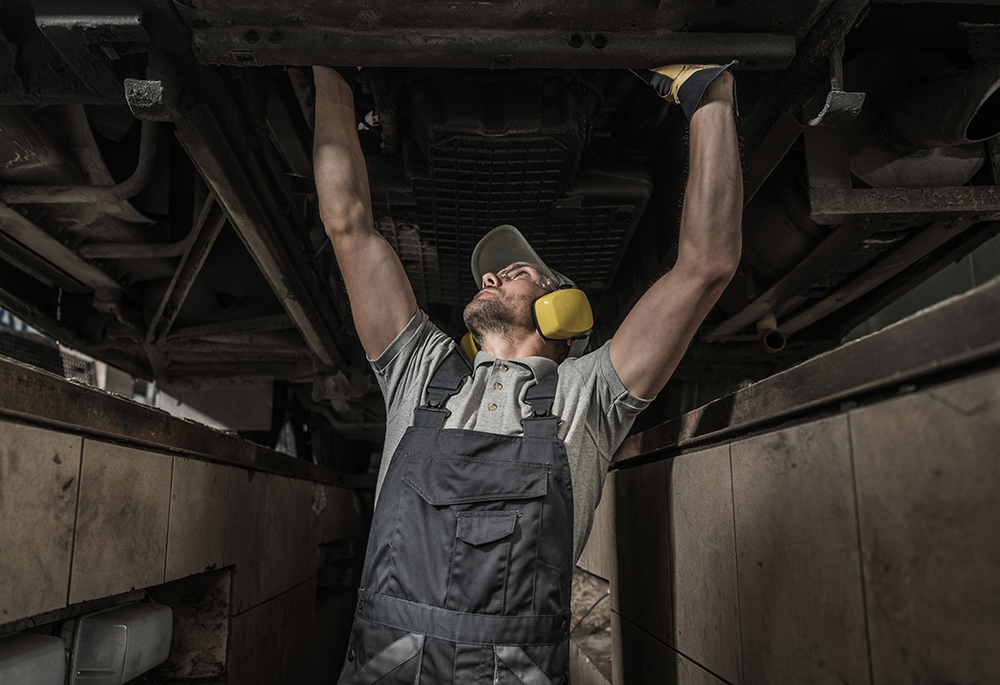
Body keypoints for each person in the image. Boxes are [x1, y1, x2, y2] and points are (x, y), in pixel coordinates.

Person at [313, 62, 742, 684]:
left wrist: (711, 94)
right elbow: (349, 226)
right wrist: (331, 71)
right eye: (491, 273)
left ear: (561, 306)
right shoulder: (422, 374)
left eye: (516, 271)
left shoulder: (588, 395)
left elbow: (706, 265)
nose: (489, 275)